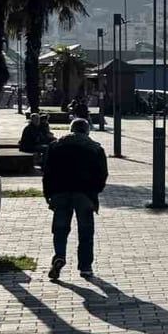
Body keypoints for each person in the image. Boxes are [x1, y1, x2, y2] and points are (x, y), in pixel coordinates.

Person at [43, 118, 108, 280]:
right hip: (84, 194)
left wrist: (48, 193)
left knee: (60, 229)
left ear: (70, 129)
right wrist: (94, 192)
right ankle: (85, 267)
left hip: (60, 192)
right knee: (85, 231)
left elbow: (47, 172)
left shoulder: (55, 146)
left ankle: (59, 256)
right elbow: (102, 174)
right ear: (87, 131)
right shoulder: (95, 149)